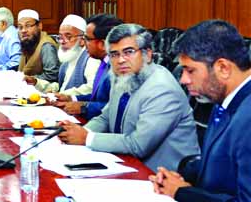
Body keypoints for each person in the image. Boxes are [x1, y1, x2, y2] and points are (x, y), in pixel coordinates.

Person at [149, 20, 251, 202]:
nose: (183, 79)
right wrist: (180, 175)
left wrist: (183, 193)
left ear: (223, 68)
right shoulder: (224, 98)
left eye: (190, 70)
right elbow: (222, 164)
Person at [58, 23, 199, 171]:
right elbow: (105, 118)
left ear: (148, 54)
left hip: (160, 177)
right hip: (124, 164)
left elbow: (138, 145)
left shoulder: (162, 89)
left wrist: (86, 138)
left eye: (129, 52)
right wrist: (77, 133)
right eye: (114, 54)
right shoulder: (123, 76)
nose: (120, 60)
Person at [54, 13, 123, 120]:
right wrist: (72, 98)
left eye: (87, 39)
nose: (83, 43)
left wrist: (84, 107)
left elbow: (116, 108)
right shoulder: (104, 63)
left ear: (102, 44)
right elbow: (96, 97)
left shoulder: (119, 69)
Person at [33, 14, 100, 95]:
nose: (62, 41)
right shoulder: (68, 59)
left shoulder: (91, 59)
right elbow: (62, 87)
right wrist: (36, 82)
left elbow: (92, 88)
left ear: (82, 40)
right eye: (60, 37)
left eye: (68, 37)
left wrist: (63, 95)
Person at [17, 9, 60, 84]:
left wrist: (31, 79)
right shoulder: (28, 43)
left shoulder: (47, 46)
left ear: (39, 26)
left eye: (28, 26)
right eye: (20, 27)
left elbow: (52, 75)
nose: (23, 30)